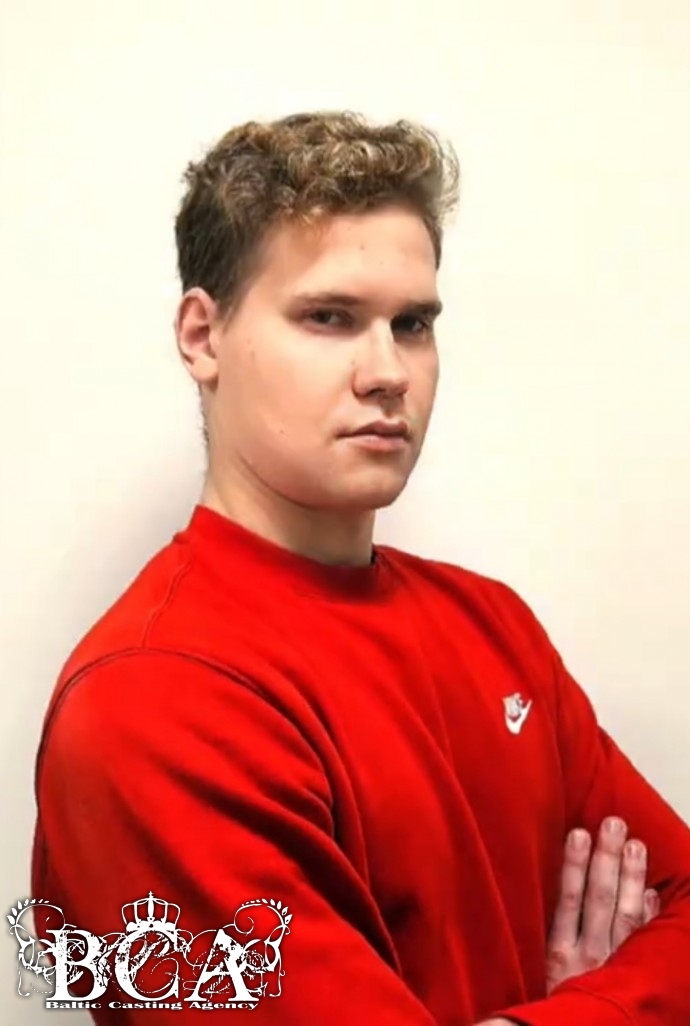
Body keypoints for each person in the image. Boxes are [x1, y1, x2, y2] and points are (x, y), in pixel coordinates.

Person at [30, 111, 690, 1025]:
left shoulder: (493, 625)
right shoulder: (150, 697)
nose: (389, 372)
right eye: (329, 318)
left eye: (411, 324)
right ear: (202, 336)